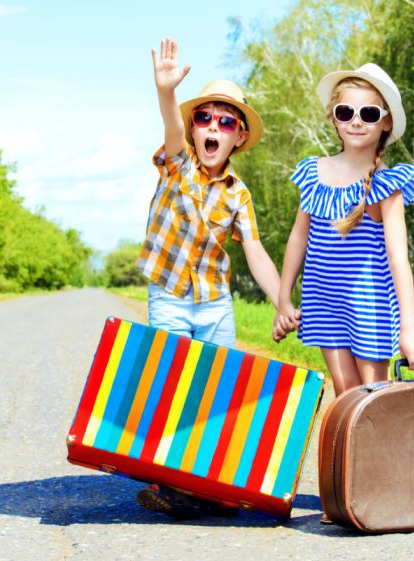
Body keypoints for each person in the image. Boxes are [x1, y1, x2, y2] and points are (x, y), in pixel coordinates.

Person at [134, 38, 287, 518]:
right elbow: (171, 128)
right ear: (194, 127)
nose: (213, 127)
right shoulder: (178, 164)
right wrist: (165, 92)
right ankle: (168, 480)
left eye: (226, 122)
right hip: (171, 295)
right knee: (174, 381)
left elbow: (256, 252)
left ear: (239, 137)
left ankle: (207, 483)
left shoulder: (239, 194)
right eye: (205, 118)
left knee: (215, 388)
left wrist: (282, 300)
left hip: (216, 302)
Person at [274, 63, 414, 398]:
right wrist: (283, 300)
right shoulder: (314, 173)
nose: (356, 120)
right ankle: (344, 453)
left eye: (369, 113)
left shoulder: (388, 184)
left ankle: (375, 453)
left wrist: (409, 329)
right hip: (323, 300)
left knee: (374, 399)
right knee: (345, 393)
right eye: (346, 111)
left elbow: (399, 258)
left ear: (385, 122)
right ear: (334, 118)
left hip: (369, 304)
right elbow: (298, 238)